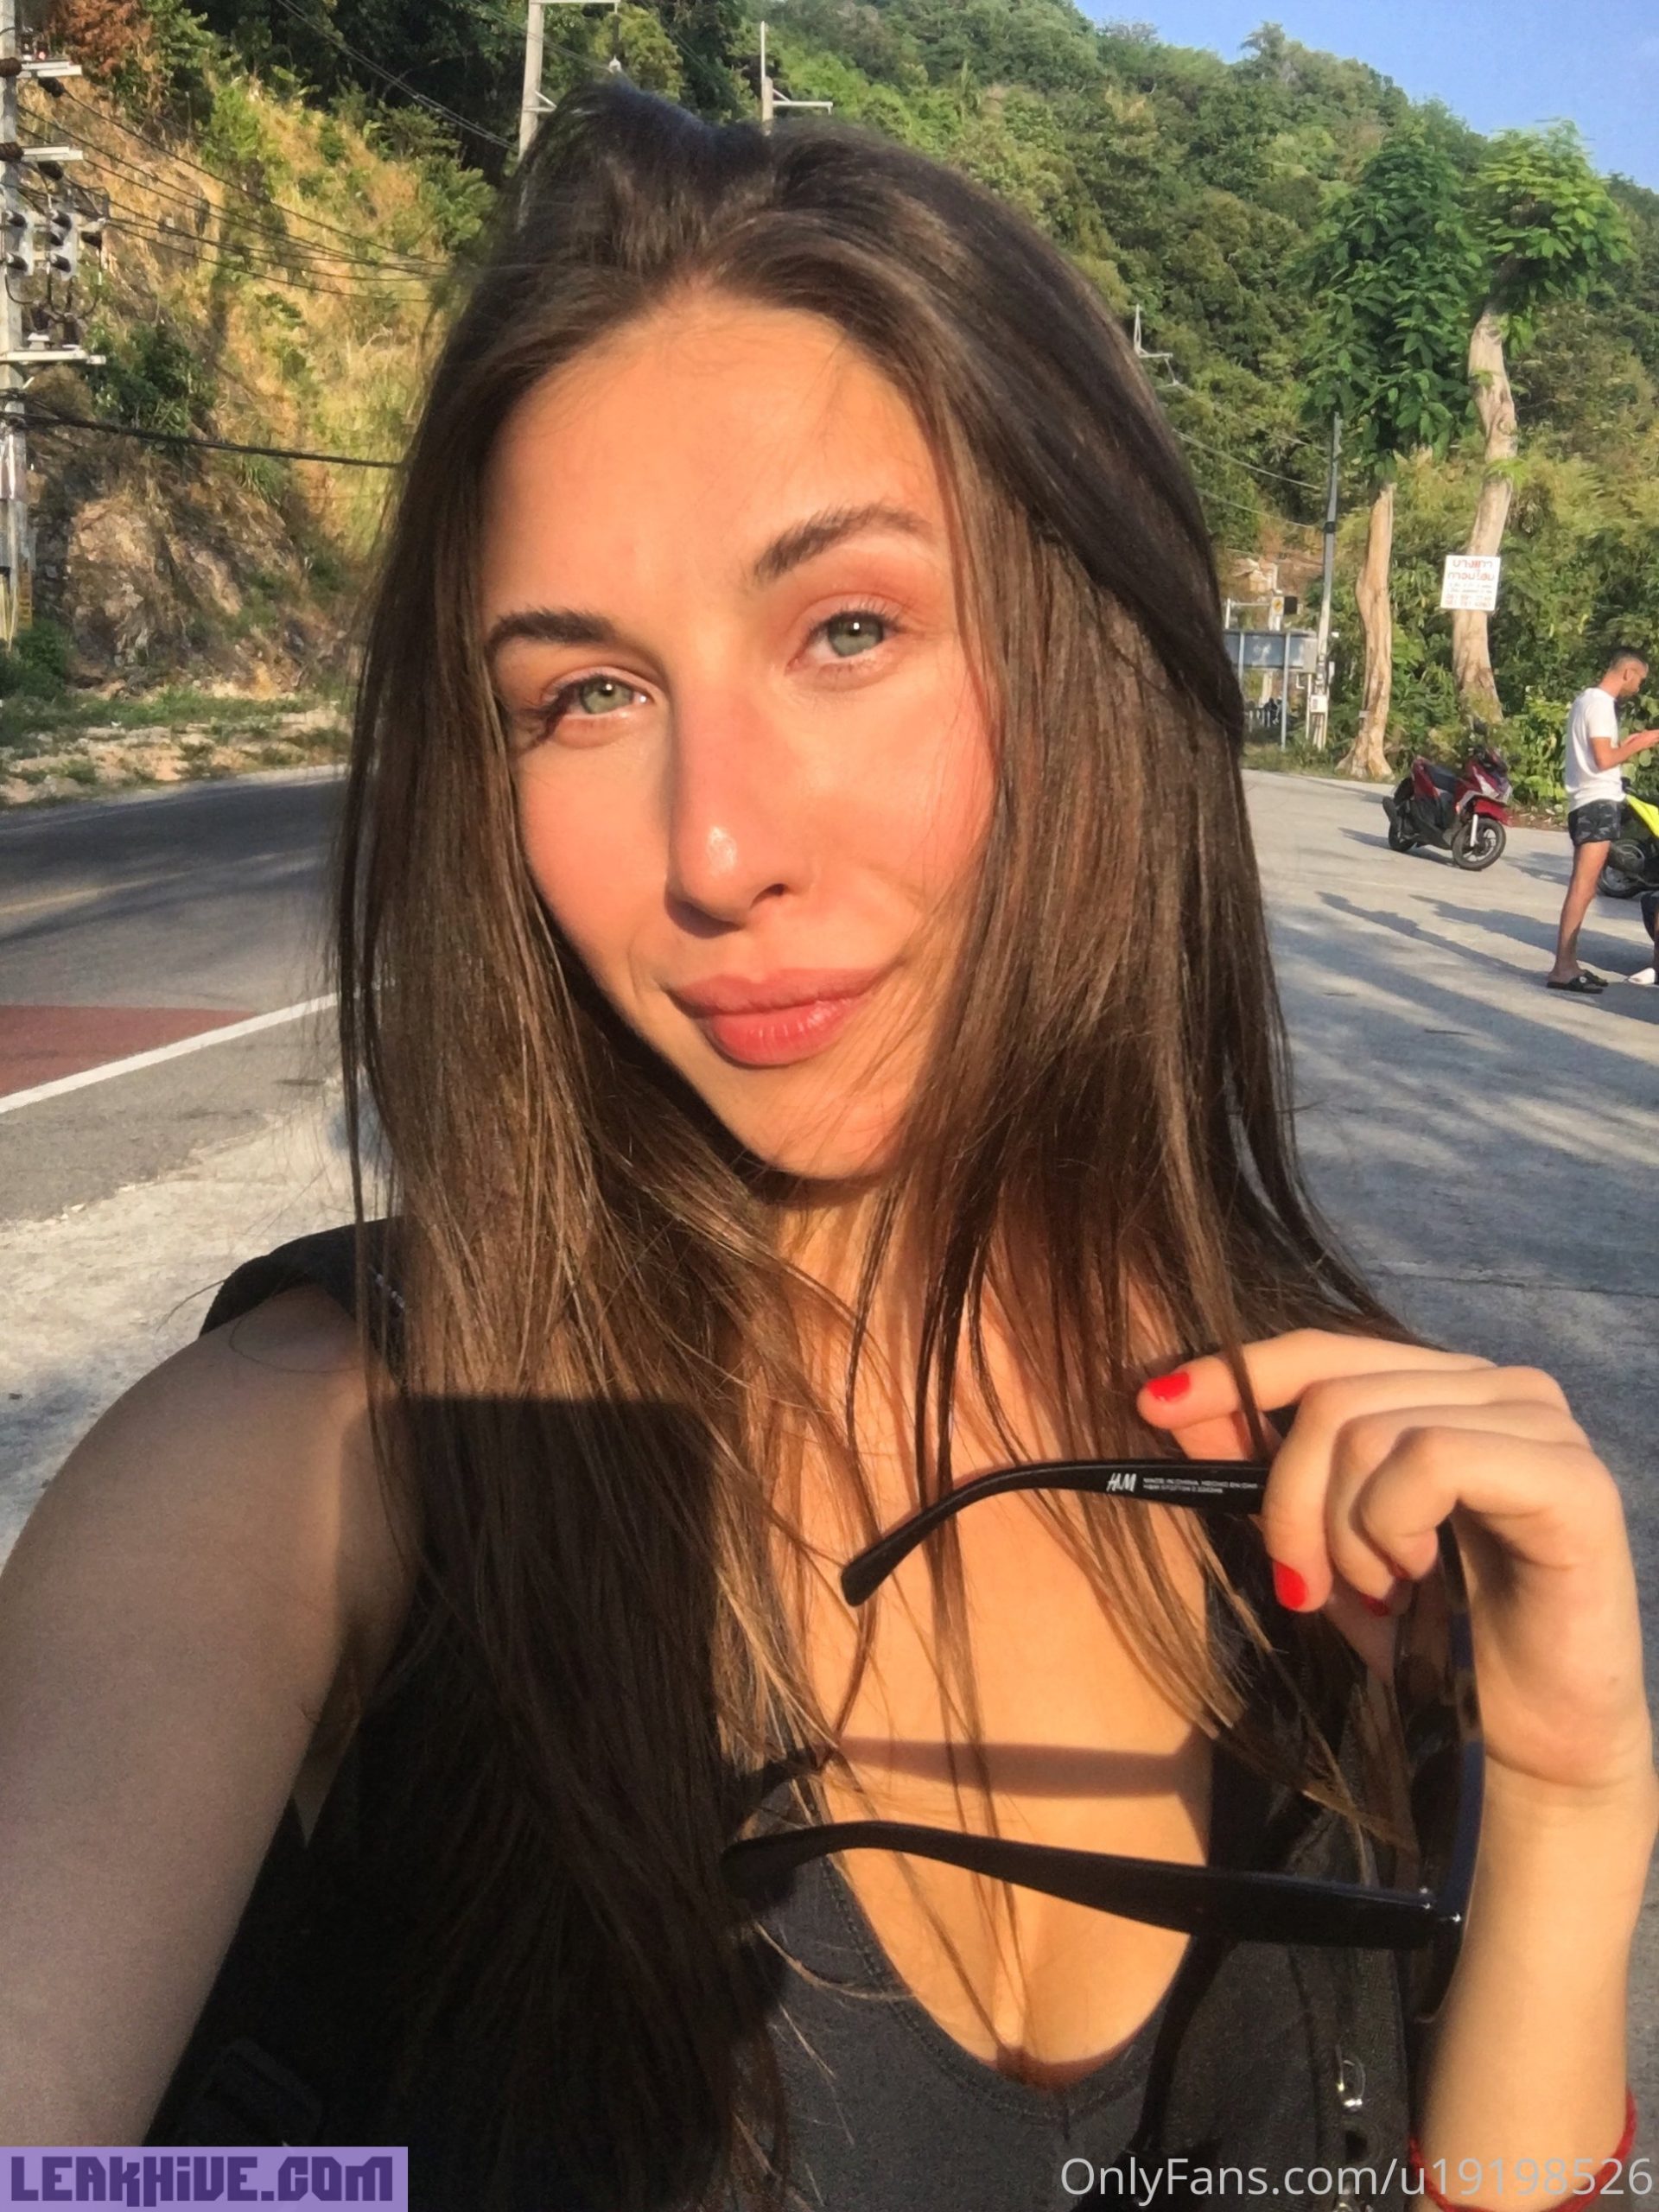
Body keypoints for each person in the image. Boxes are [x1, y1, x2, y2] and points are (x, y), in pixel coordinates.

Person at [2, 85, 1654, 2212]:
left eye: (848, 630)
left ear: (1100, 655)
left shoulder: (1333, 1475)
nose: (713, 849)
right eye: (583, 694)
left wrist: (1571, 1801)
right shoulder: (324, 1469)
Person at [1546, 647, 1659, 993]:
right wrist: (1640, 744)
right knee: (1583, 887)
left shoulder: (1586, 701)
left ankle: (1569, 963)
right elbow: (1604, 759)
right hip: (1596, 803)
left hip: (1589, 802)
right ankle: (1563, 967)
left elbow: (1601, 753)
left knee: (1585, 886)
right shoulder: (1600, 704)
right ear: (1627, 672)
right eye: (1639, 679)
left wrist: (1627, 743)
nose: (1638, 687)